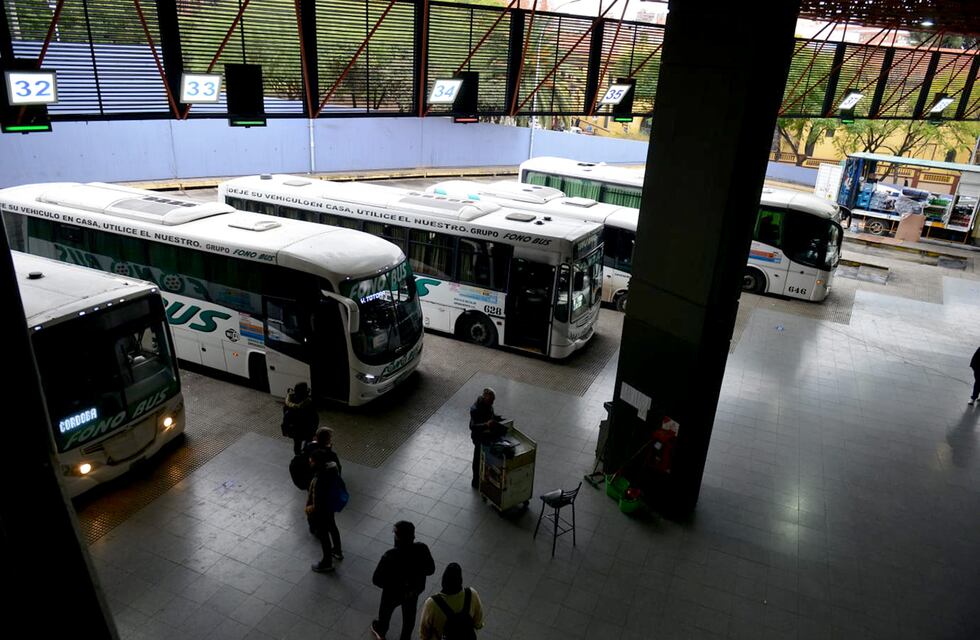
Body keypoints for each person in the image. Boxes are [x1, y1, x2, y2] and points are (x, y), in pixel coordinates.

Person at [371, 521, 435, 640]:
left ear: (398, 537)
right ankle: (405, 637)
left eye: (395, 534)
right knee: (409, 616)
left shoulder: (390, 555)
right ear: (413, 536)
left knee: (385, 612)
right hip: (413, 591)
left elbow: (376, 580)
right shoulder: (422, 549)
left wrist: (391, 584)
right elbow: (431, 570)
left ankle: (381, 630)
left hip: (392, 593)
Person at [419, 563, 484, 640]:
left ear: (443, 580)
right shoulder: (472, 594)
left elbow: (424, 632)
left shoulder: (432, 603)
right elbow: (478, 623)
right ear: (460, 580)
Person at [306, 450, 343, 573]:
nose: (310, 462)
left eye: (311, 460)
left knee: (323, 535)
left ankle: (326, 562)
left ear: (317, 462)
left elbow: (317, 501)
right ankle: (337, 550)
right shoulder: (331, 470)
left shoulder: (320, 478)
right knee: (332, 526)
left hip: (321, 512)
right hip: (330, 507)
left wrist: (310, 509)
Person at [469, 388, 502, 489]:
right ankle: (475, 480)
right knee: (478, 459)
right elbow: (473, 427)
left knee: (485, 458)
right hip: (479, 438)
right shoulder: (475, 409)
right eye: (490, 401)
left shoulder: (488, 405)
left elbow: (490, 415)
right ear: (484, 398)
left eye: (493, 401)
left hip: (487, 436)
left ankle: (485, 478)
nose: (492, 403)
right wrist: (486, 425)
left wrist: (496, 418)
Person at [284, 382, 319, 455]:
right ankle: (305, 453)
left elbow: (285, 412)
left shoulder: (291, 399)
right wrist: (315, 427)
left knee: (297, 444)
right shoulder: (308, 402)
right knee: (309, 440)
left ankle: (298, 455)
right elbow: (315, 416)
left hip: (295, 428)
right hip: (307, 428)